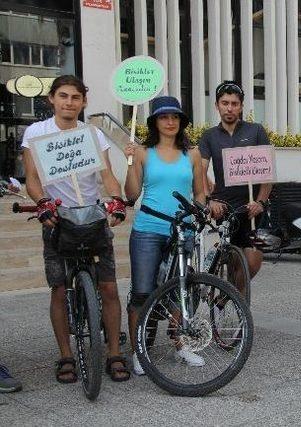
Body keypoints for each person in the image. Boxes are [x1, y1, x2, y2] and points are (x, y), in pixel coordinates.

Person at [21, 75, 130, 383]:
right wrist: (42, 202)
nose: (69, 102)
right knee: (58, 288)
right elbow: (31, 177)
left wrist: (117, 200)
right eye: (63, 96)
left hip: (91, 216)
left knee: (108, 286)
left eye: (76, 98)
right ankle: (65, 355)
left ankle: (113, 353)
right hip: (57, 217)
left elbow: (107, 175)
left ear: (83, 102)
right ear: (52, 99)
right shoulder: (36, 132)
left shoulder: (92, 134)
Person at [124, 96, 206, 376]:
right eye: (163, 117)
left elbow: (200, 192)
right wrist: (130, 162)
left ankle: (180, 344)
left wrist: (201, 211)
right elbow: (131, 194)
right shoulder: (144, 152)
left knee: (180, 291)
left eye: (175, 117)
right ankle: (138, 350)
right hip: (148, 228)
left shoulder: (192, 154)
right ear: (155, 121)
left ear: (181, 122)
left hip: (183, 229)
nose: (170, 121)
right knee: (142, 292)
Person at [199, 81, 273, 292]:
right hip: (225, 208)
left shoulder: (256, 130)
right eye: (225, 103)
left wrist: (261, 201)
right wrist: (209, 199)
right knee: (231, 260)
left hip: (253, 208)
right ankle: (234, 302)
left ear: (241, 106)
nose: (229, 108)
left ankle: (233, 295)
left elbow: (267, 172)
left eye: (234, 103)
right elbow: (200, 171)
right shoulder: (209, 135)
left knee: (252, 262)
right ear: (217, 105)